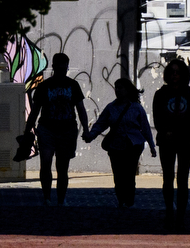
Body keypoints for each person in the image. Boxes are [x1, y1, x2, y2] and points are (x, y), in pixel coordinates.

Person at [24, 53, 89, 206]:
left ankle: (60, 198)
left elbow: (81, 109)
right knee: (46, 162)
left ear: (67, 66)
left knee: (62, 166)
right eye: (59, 66)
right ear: (53, 67)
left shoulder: (73, 85)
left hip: (67, 129)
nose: (62, 69)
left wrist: (86, 129)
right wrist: (28, 130)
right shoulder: (44, 86)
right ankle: (47, 197)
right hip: (47, 128)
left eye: (64, 66)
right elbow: (35, 110)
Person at [84, 77, 156, 208]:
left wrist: (152, 146)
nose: (118, 90)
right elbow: (101, 124)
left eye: (121, 87)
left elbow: (145, 128)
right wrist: (91, 136)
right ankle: (121, 199)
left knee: (129, 174)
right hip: (115, 145)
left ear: (127, 90)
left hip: (133, 145)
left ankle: (129, 199)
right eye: (116, 87)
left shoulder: (136, 108)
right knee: (118, 175)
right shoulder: (111, 108)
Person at [152, 58, 190, 227]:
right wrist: (164, 131)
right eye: (172, 72)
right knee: (168, 178)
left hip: (186, 141)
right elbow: (157, 117)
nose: (175, 75)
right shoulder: (161, 94)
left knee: (183, 179)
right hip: (167, 141)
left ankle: (180, 215)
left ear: (183, 75)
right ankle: (168, 212)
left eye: (178, 72)